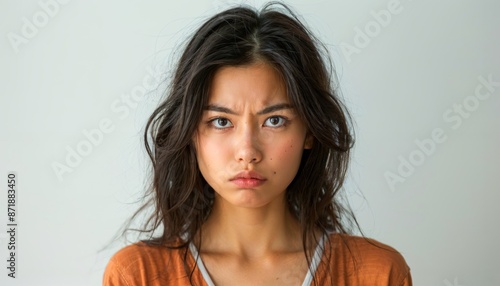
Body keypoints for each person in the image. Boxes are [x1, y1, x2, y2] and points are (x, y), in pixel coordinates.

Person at [103, 2, 412, 285]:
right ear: (190, 133)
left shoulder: (377, 273)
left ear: (310, 132)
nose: (247, 152)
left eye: (274, 120)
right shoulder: (137, 275)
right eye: (221, 122)